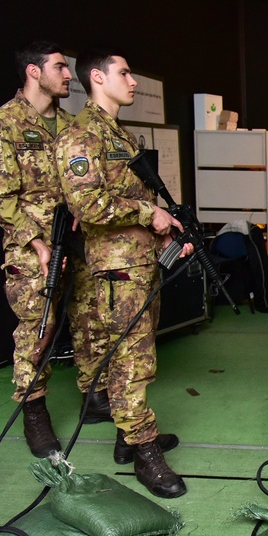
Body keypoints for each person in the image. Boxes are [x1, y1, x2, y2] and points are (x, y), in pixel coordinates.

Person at [56, 49, 188, 498]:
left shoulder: (120, 134)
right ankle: (145, 453)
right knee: (131, 359)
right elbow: (87, 205)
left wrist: (166, 229)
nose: (133, 81)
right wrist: (148, 211)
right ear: (97, 77)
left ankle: (125, 436)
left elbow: (139, 201)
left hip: (141, 262)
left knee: (140, 355)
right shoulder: (81, 135)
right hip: (116, 269)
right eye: (125, 73)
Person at [0, 41, 112, 460]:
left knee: (92, 320)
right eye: (59, 68)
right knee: (38, 332)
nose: (69, 75)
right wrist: (36, 243)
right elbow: (1, 195)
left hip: (78, 241)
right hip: (32, 250)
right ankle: (34, 411)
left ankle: (95, 396)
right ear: (34, 72)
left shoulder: (74, 127)